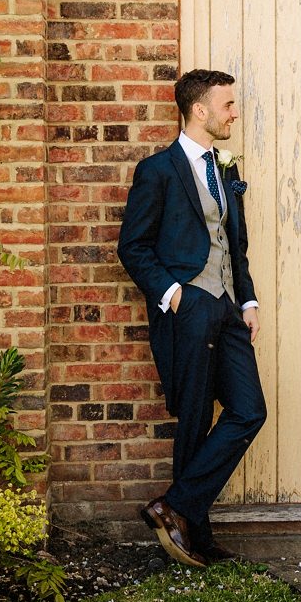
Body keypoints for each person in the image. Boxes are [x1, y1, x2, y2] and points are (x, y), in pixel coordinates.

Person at [117, 68, 266, 568]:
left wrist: (247, 302)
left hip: (226, 306)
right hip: (189, 305)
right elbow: (133, 247)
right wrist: (173, 293)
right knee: (197, 417)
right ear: (199, 110)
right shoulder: (158, 170)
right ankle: (194, 535)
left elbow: (234, 246)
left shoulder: (224, 170)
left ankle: (175, 508)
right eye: (227, 105)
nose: (234, 113)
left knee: (249, 411)